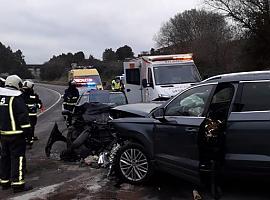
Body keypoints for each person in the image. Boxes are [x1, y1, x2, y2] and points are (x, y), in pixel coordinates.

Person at [0, 75, 32, 193]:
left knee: (4, 158)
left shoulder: (1, 97)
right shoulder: (16, 98)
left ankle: (4, 182)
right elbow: (23, 118)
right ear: (16, 84)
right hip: (16, 135)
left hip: (3, 134)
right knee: (17, 159)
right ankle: (18, 185)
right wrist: (29, 135)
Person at [22, 80, 43, 145]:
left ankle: (31, 137)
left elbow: (40, 104)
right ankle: (29, 139)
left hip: (29, 115)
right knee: (29, 127)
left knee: (31, 127)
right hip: (27, 115)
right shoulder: (21, 95)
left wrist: (36, 105)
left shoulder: (21, 95)